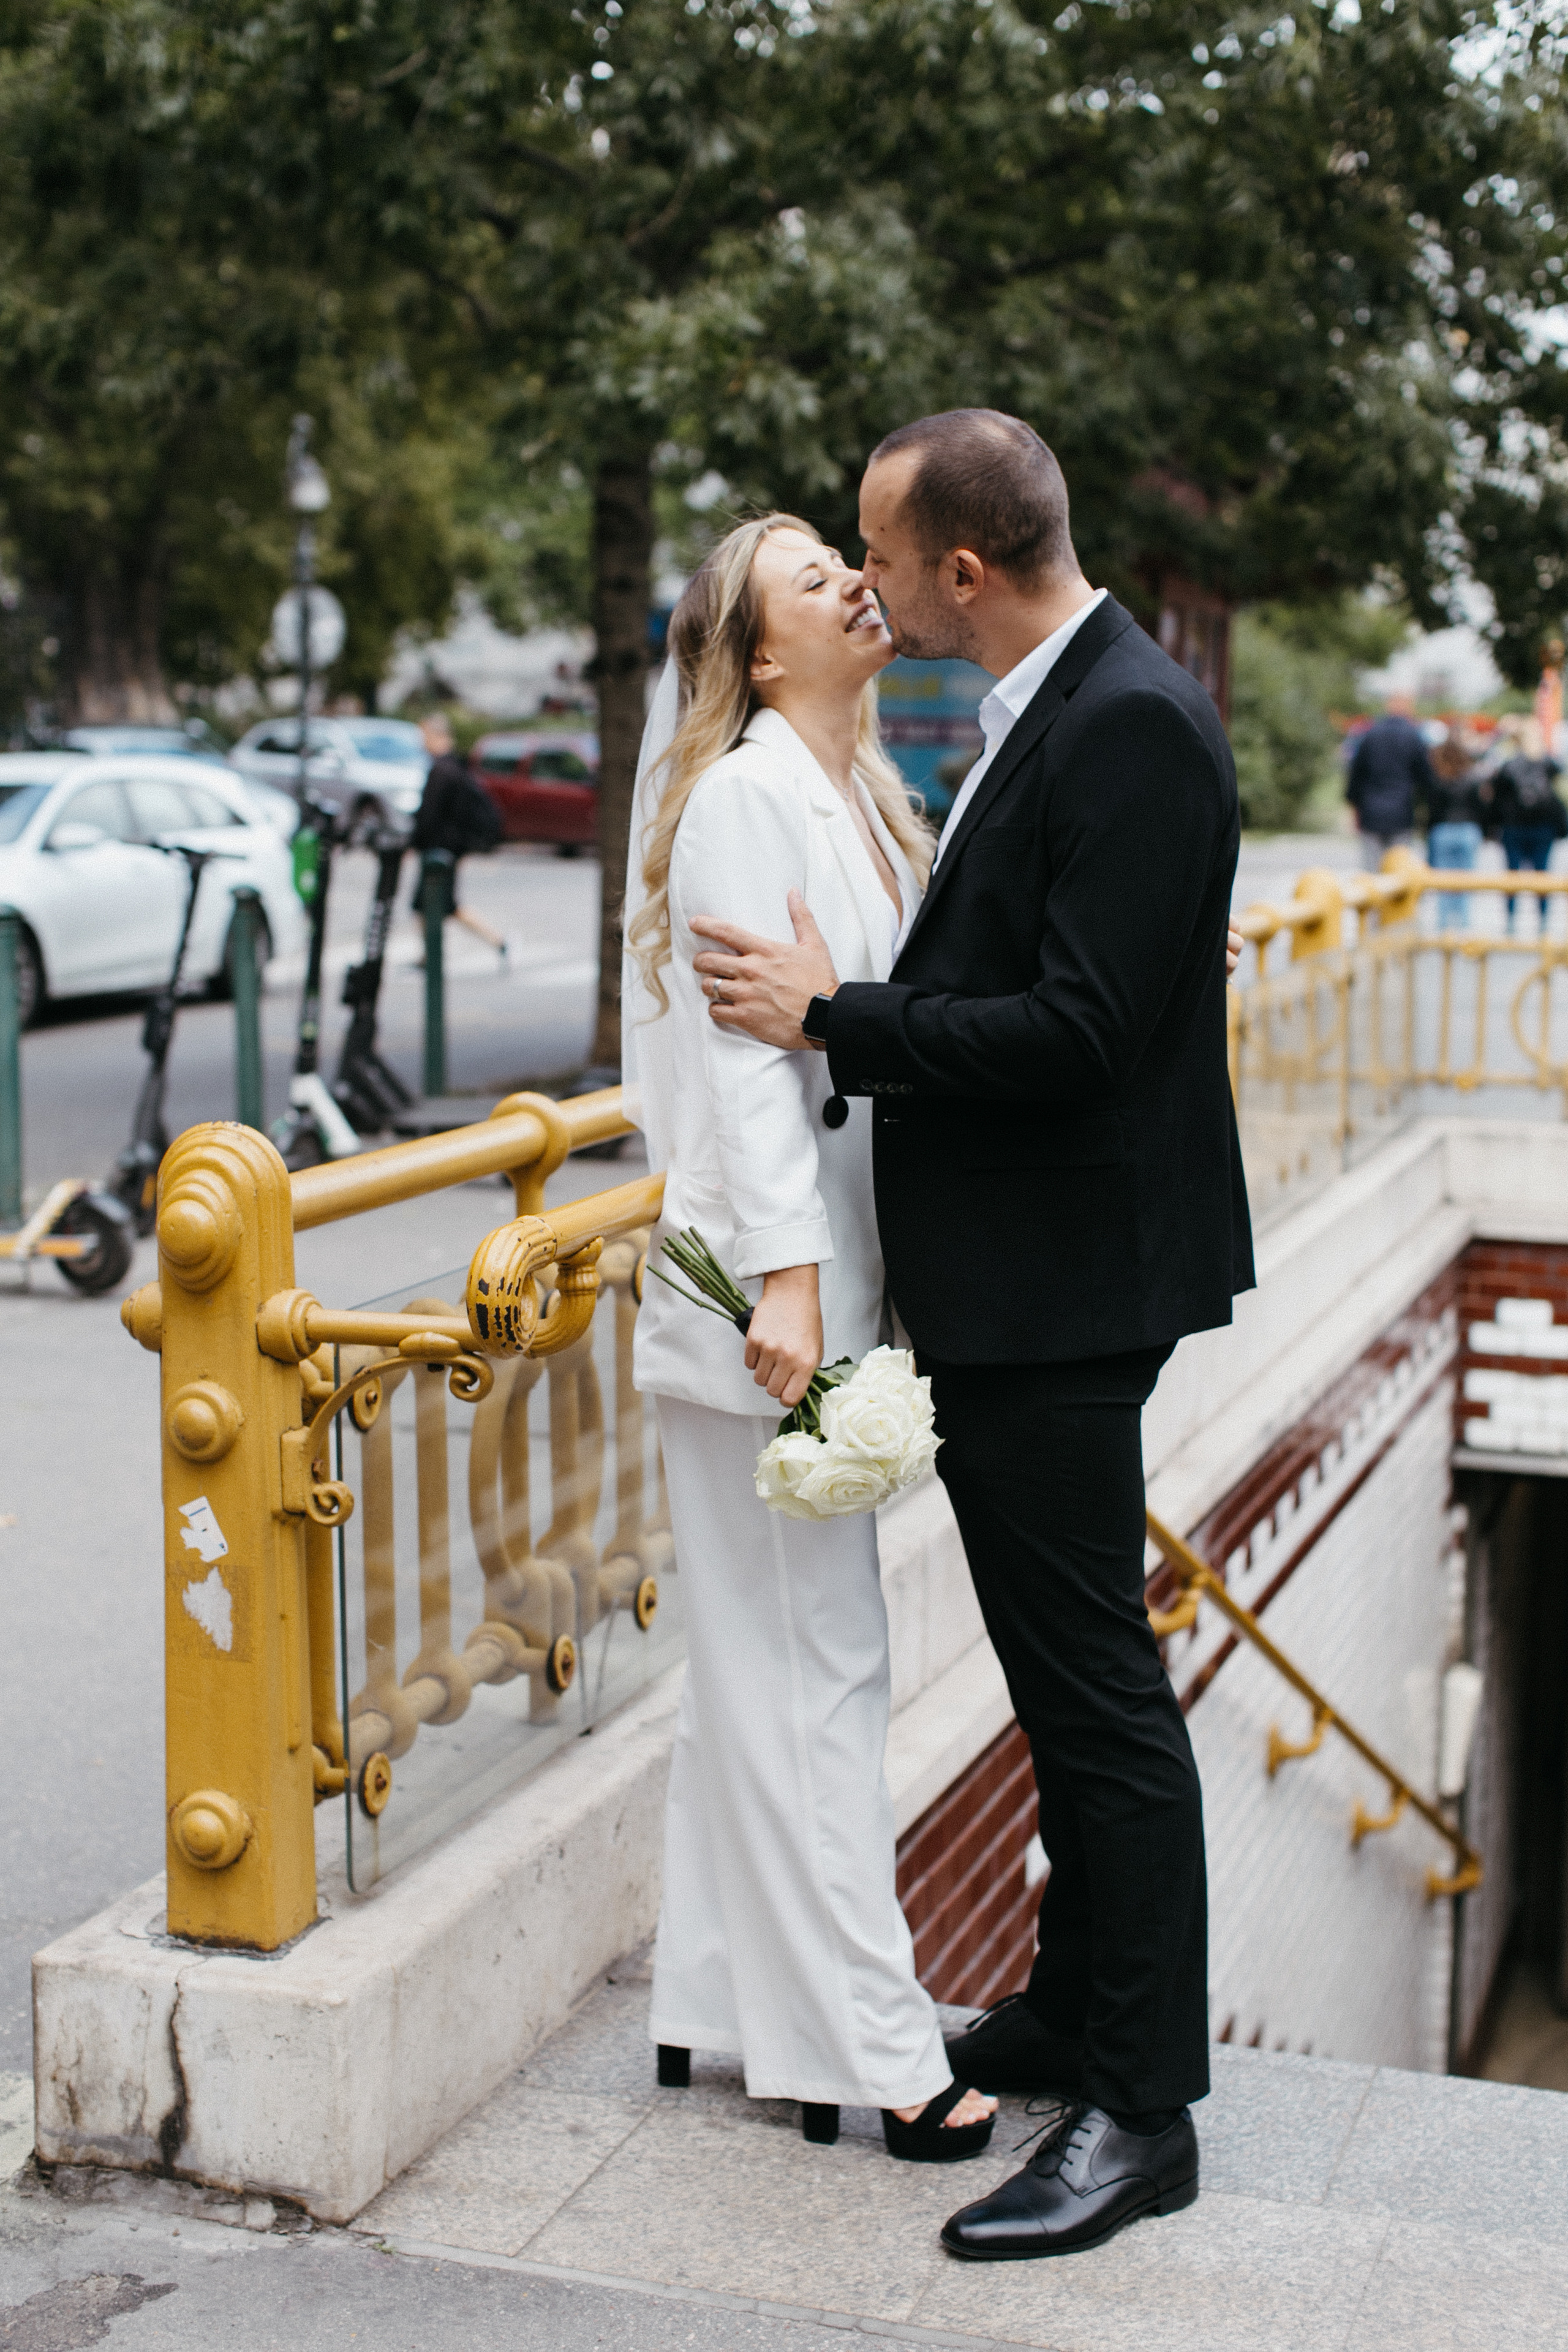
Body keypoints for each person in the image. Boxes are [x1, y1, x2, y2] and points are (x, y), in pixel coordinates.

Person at [686, 410, 1254, 2263]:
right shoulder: (1061, 705)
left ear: (958, 569)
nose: (859, 575)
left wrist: (838, 1015)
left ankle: (1141, 2106)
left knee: (1091, 1688)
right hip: (1033, 1282)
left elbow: (1078, 1030)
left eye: (875, 544)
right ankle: (1070, 2011)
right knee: (1058, 1669)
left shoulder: (1127, 723)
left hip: (1065, 1289)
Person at [622, 514, 1000, 2162]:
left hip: (828, 1283)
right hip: (770, 1310)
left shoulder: (868, 797)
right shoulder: (745, 796)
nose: (856, 579)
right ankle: (875, 2042)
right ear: (759, 653)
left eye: (843, 558)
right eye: (806, 574)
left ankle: (713, 1998)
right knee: (825, 1673)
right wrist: (790, 1283)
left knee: (760, 1666)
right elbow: (743, 1070)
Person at [413, 713, 508, 957]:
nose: (422, 743)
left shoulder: (442, 770)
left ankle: (499, 942)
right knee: (433, 906)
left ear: (437, 736)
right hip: (451, 848)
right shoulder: (457, 767)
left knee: (441, 905)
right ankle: (430, 955)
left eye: (424, 736)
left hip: (440, 851)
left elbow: (429, 814)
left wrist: (415, 841)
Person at [1490, 717, 1566, 932]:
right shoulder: (1548, 763)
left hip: (1514, 827)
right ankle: (1542, 922)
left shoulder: (1509, 765)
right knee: (1542, 875)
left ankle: (1511, 921)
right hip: (1543, 827)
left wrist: (1493, 827)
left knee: (1512, 875)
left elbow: (1497, 798)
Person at [1346, 694, 1436, 870]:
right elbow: (1426, 777)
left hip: (1371, 811)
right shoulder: (1414, 737)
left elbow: (1356, 774)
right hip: (1402, 811)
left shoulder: (1370, 735)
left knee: (1372, 870)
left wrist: (1354, 806)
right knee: (1399, 869)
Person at [1423, 730, 1485, 932]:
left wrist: (1428, 834)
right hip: (1467, 829)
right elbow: (1480, 809)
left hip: (1443, 830)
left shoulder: (1437, 780)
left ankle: (1444, 928)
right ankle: (1463, 927)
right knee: (1465, 882)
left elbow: (1432, 811)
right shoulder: (1472, 779)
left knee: (1443, 883)